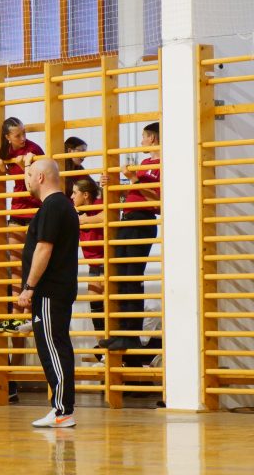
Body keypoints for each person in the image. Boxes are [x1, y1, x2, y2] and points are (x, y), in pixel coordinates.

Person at [15, 158, 79, 428]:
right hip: (53, 291)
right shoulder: (58, 205)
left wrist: (29, 288)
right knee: (53, 346)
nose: (27, 180)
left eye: (29, 175)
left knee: (54, 348)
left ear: (40, 178)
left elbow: (44, 248)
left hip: (51, 290)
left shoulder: (54, 206)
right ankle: (60, 409)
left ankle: (63, 410)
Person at [100, 122, 160, 351]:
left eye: (144, 136)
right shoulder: (144, 164)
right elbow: (135, 192)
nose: (142, 141)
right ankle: (122, 331)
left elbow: (157, 199)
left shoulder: (162, 164)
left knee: (132, 277)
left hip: (142, 221)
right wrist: (113, 184)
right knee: (120, 277)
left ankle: (132, 334)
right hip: (128, 218)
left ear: (152, 138)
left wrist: (134, 179)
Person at [0, 118, 44, 334]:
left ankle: (29, 315)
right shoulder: (6, 151)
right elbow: (13, 178)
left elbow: (35, 184)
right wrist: (2, 169)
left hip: (34, 210)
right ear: (7, 137)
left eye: (24, 133)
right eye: (17, 135)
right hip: (17, 210)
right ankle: (15, 317)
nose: (23, 138)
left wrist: (25, 166)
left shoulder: (33, 150)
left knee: (31, 266)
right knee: (15, 267)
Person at [71, 178, 106, 338]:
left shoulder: (99, 204)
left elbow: (106, 215)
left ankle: (112, 347)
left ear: (85, 195)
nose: (72, 196)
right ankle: (102, 347)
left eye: (75, 193)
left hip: (106, 263)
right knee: (96, 309)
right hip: (93, 266)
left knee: (109, 309)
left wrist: (84, 220)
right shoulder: (75, 209)